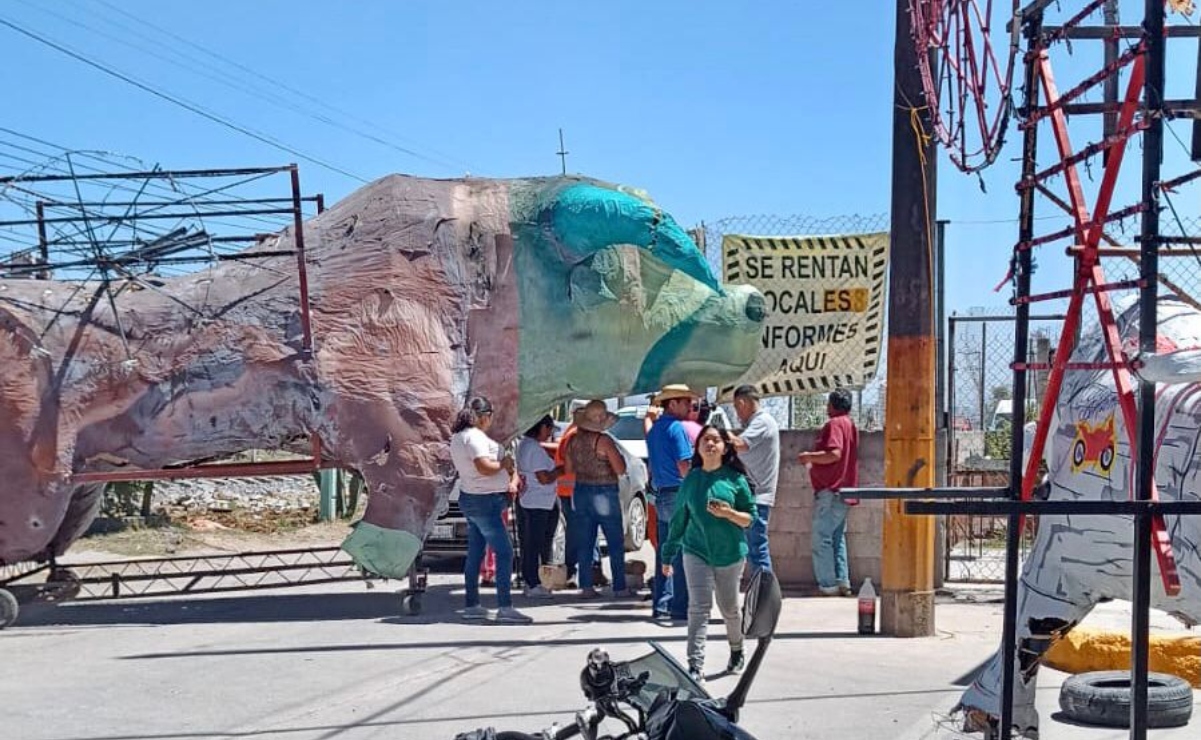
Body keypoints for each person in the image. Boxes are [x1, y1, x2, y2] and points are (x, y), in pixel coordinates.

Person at [661, 424, 757, 683]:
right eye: (705, 439)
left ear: (725, 447)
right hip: (696, 551)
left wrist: (729, 514)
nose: (710, 444)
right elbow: (679, 519)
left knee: (729, 607)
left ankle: (737, 649)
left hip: (730, 553)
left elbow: (750, 519)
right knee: (699, 608)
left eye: (716, 440)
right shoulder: (692, 480)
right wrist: (667, 554)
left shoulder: (735, 480)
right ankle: (695, 665)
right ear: (698, 447)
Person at [449, 396, 533, 623]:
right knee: (504, 552)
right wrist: (503, 465)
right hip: (484, 500)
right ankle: (505, 606)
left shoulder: (458, 437)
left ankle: (472, 603)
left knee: (475, 551)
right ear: (484, 416)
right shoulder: (474, 437)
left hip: (473, 497)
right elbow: (484, 467)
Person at [562, 400, 632, 598]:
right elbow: (620, 469)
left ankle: (586, 586)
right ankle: (619, 586)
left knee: (585, 540)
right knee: (614, 540)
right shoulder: (604, 441)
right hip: (604, 491)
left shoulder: (573, 440)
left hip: (581, 490)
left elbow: (568, 469)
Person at [797, 389, 860, 597]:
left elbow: (834, 454)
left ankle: (827, 585)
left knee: (821, 538)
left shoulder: (834, 424)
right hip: (844, 490)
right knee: (836, 536)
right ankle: (842, 581)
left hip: (830, 489)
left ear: (832, 405)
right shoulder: (850, 425)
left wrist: (809, 457)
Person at [646, 384, 699, 622]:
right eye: (685, 401)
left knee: (665, 552)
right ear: (673, 403)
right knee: (682, 553)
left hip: (662, 494)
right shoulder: (676, 429)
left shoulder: (656, 429)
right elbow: (684, 465)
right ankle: (680, 606)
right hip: (679, 493)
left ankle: (662, 603)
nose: (690, 406)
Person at [730, 384, 780, 576]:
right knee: (754, 549)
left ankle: (765, 595)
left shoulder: (762, 422)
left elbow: (740, 444)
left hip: (758, 498)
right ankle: (762, 594)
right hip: (755, 496)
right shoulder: (759, 423)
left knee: (757, 549)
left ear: (742, 403)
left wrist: (717, 435)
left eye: (736, 407)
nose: (737, 414)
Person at [516, 415, 562, 599]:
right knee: (534, 543)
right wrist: (559, 471)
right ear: (542, 427)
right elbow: (544, 478)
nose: (550, 433)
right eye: (549, 429)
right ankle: (532, 581)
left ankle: (534, 579)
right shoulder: (533, 448)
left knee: (533, 542)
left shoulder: (525, 445)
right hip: (538, 502)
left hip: (533, 500)